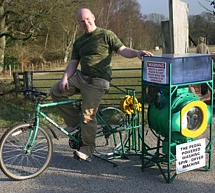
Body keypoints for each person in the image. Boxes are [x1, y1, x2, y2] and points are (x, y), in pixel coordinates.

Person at [50, 8, 153, 162]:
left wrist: (138, 52)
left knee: (88, 114)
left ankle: (87, 148)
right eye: (82, 21)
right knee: (56, 91)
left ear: (93, 17)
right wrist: (64, 78)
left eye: (87, 19)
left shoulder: (106, 35)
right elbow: (73, 63)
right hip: (81, 77)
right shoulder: (79, 42)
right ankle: (75, 124)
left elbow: (123, 50)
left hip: (98, 81)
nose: (86, 23)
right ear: (79, 23)